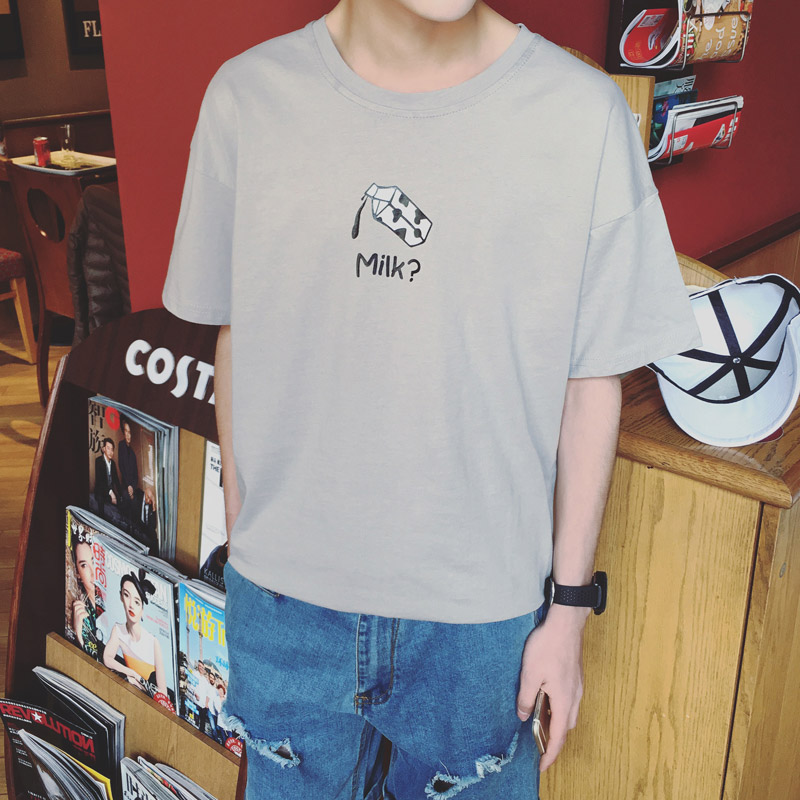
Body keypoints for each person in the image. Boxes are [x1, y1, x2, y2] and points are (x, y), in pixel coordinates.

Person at [162, 1, 701, 797]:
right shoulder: (248, 98)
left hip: (482, 625)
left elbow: (591, 382)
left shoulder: (583, 116)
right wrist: (247, 536)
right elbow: (240, 331)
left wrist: (569, 614)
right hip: (284, 602)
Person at [102, 571, 168, 700]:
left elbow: (163, 693)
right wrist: (132, 674)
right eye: (127, 595)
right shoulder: (118, 630)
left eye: (137, 602)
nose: (131, 605)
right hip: (129, 694)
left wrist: (138, 683)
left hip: (149, 700)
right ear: (121, 596)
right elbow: (107, 658)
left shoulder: (153, 642)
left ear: (142, 610)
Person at [68, 532, 104, 659]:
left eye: (94, 562)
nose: (93, 573)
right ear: (78, 573)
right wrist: (78, 634)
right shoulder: (82, 612)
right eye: (84, 565)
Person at [117, 419, 139, 517]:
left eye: (129, 432)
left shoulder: (133, 453)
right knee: (126, 501)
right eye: (126, 431)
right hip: (125, 485)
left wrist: (132, 488)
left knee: (135, 504)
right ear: (123, 432)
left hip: (132, 489)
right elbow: (121, 466)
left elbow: (136, 475)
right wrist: (129, 485)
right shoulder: (121, 445)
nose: (128, 435)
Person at [93, 438, 121, 509]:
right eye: (108, 448)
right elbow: (100, 481)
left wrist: (121, 494)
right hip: (101, 490)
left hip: (110, 491)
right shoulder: (98, 461)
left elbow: (116, 480)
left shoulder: (113, 463)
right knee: (100, 498)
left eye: (112, 449)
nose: (110, 452)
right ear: (104, 449)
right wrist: (111, 493)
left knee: (121, 501)